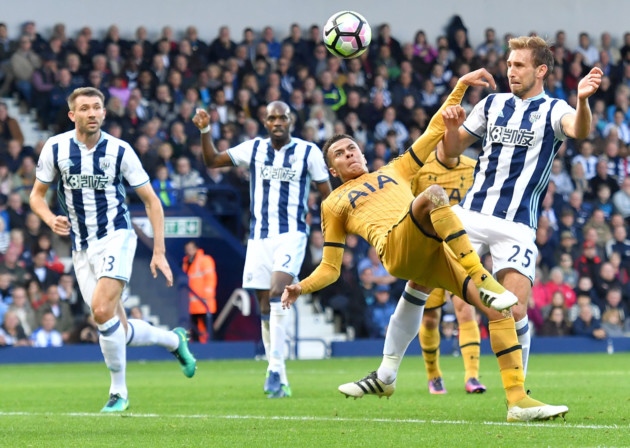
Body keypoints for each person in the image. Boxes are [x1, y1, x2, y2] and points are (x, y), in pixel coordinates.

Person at [282, 69, 568, 422]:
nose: (349, 154)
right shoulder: (333, 204)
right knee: (433, 195)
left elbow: (435, 130)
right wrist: (301, 286)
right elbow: (330, 267)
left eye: (352, 148)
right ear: (333, 169)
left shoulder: (396, 169)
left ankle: (516, 401)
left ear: (364, 154)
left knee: (501, 312)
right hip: (396, 248)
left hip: (430, 251)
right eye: (340, 154)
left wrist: (461, 86)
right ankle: (483, 278)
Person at [439, 36, 602, 376]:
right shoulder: (491, 104)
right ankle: (387, 371)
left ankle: (519, 390)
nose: (510, 71)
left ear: (540, 70)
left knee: (515, 311)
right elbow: (451, 152)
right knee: (419, 281)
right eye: (509, 64)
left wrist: (583, 101)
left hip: (516, 224)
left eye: (519, 65)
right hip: (471, 214)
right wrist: (451, 130)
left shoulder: (555, 109)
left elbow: (580, 130)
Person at [29, 87, 197, 413]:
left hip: (117, 236)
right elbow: (36, 196)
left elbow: (152, 202)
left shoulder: (121, 151)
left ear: (104, 113)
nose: (92, 113)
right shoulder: (56, 148)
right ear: (72, 115)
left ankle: (118, 392)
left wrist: (159, 252)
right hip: (81, 246)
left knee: (101, 311)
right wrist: (49, 218)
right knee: (114, 326)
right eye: (85, 108)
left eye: (97, 107)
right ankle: (174, 341)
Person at [193, 100, 333, 398]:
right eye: (272, 118)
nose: (278, 122)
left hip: (292, 234)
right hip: (258, 237)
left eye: (283, 117)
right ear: (265, 122)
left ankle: (273, 369)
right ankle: (278, 373)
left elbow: (327, 195)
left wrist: (331, 231)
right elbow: (213, 160)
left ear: (291, 120)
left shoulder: (308, 152)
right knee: (265, 307)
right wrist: (205, 129)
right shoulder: (254, 148)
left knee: (276, 293)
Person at [410, 143, 486, 395]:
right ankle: (434, 376)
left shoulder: (474, 168)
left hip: (462, 251)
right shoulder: (421, 169)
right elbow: (408, 209)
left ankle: (472, 377)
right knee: (430, 317)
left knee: (466, 311)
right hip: (429, 252)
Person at [182, 240, 217, 343]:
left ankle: (211, 347)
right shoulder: (186, 262)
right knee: (194, 329)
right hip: (192, 304)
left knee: (208, 328)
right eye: (187, 249)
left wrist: (206, 297)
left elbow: (211, 279)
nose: (189, 251)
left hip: (204, 302)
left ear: (196, 249)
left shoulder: (205, 260)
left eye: (191, 249)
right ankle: (199, 348)